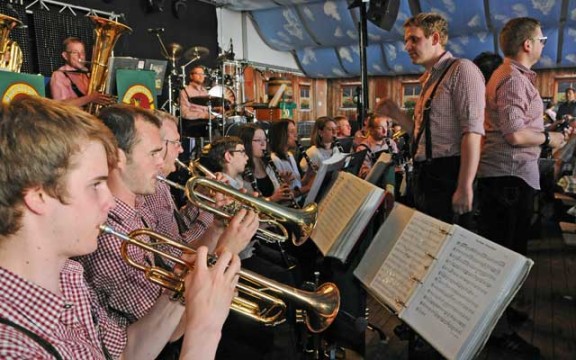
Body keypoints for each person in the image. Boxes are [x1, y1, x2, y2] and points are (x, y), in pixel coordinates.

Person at [0, 96, 239, 360]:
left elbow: (127, 352)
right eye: (95, 185)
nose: (109, 200)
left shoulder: (69, 275)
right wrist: (204, 332)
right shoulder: (11, 348)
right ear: (38, 196)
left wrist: (179, 291)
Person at [76, 104, 258, 355]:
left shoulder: (138, 207)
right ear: (118, 157)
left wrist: (217, 227)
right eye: (153, 153)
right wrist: (225, 251)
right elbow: (170, 334)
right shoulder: (112, 237)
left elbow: (178, 255)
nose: (161, 162)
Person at [477, 18, 565, 358]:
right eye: (541, 38)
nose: (544, 43)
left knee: (509, 255)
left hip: (510, 178)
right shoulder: (512, 79)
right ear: (527, 44)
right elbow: (514, 134)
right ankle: (497, 333)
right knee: (504, 257)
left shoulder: (513, 77)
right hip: (507, 179)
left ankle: (503, 315)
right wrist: (549, 138)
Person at [401, 12, 485, 224]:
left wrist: (465, 186)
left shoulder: (462, 70)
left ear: (435, 38)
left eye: (414, 39)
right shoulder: (430, 79)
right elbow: (422, 135)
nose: (407, 47)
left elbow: (473, 132)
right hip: (426, 175)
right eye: (406, 41)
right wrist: (396, 115)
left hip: (448, 174)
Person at [49, 37, 114, 108]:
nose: (80, 56)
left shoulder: (88, 74)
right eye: (75, 52)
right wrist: (90, 98)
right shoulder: (59, 75)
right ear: (65, 56)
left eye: (82, 52)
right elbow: (61, 106)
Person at [238, 123, 293, 203]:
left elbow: (275, 192)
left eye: (265, 140)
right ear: (247, 143)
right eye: (258, 140)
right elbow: (249, 202)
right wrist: (272, 199)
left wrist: (284, 185)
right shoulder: (241, 169)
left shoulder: (267, 164)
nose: (263, 144)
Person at [269, 119, 314, 201]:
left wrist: (308, 175)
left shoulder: (289, 155)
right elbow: (284, 194)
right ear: (282, 135)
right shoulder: (274, 159)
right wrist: (308, 187)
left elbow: (297, 185)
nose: (296, 135)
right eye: (292, 131)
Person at [356, 114, 398, 179]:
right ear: (371, 130)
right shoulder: (363, 148)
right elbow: (363, 174)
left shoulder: (391, 143)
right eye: (380, 128)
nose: (385, 131)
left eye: (386, 127)